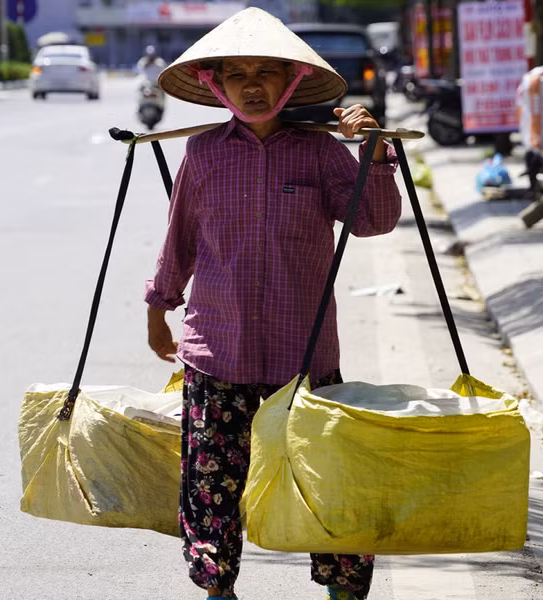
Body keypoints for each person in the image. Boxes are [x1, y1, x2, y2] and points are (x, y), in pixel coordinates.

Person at [144, 8, 402, 600]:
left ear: (289, 84)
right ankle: (218, 590)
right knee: (211, 483)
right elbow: (179, 239)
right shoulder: (205, 154)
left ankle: (343, 589)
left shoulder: (319, 153)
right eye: (238, 75)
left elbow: (374, 222)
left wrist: (374, 151)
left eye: (266, 74)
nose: (252, 85)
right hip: (217, 349)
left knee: (325, 479)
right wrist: (158, 309)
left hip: (303, 352)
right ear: (217, 85)